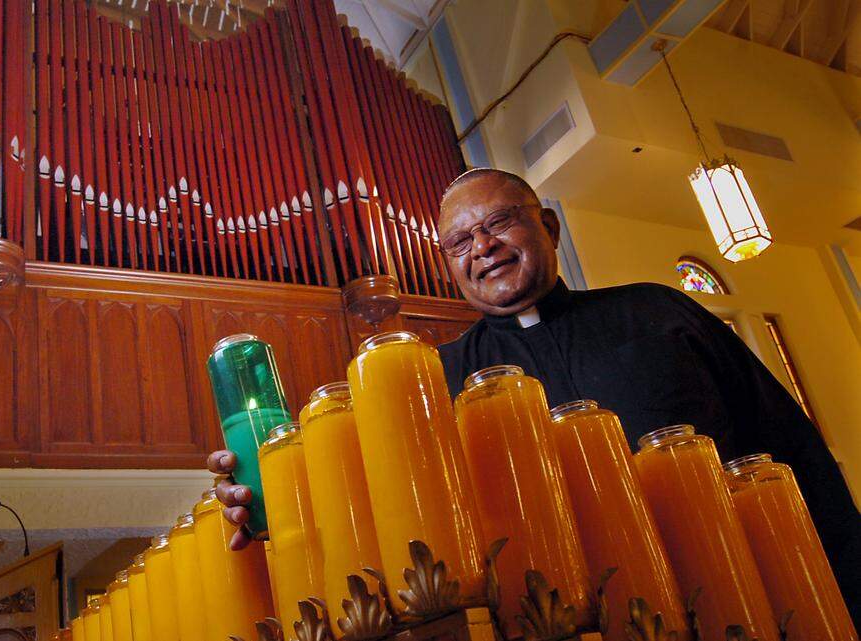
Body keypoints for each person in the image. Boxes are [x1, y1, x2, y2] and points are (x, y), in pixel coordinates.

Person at [207, 168, 859, 621]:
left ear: (547, 225)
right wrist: (268, 507)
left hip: (737, 595)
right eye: (460, 241)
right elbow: (380, 510)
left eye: (499, 224)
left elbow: (790, 455)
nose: (482, 247)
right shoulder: (430, 380)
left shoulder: (659, 313)